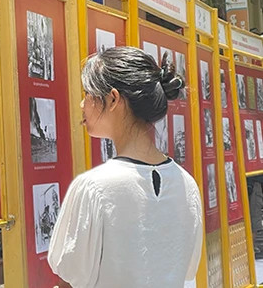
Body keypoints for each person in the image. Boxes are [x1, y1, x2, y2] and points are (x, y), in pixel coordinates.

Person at [48, 47, 202, 288]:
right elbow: (188, 269)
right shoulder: (187, 184)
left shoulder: (92, 188)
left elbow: (69, 278)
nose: (81, 104)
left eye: (88, 93)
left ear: (112, 99)